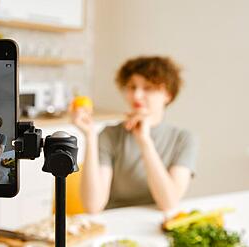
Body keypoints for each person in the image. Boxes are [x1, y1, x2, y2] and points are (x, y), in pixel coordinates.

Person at [71, 56, 198, 213]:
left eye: (148, 87)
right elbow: (92, 206)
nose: (137, 95)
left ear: (168, 95)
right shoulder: (109, 135)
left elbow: (169, 203)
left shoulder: (183, 139)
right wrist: (90, 136)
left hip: (157, 223)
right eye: (132, 87)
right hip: (114, 222)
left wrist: (145, 142)